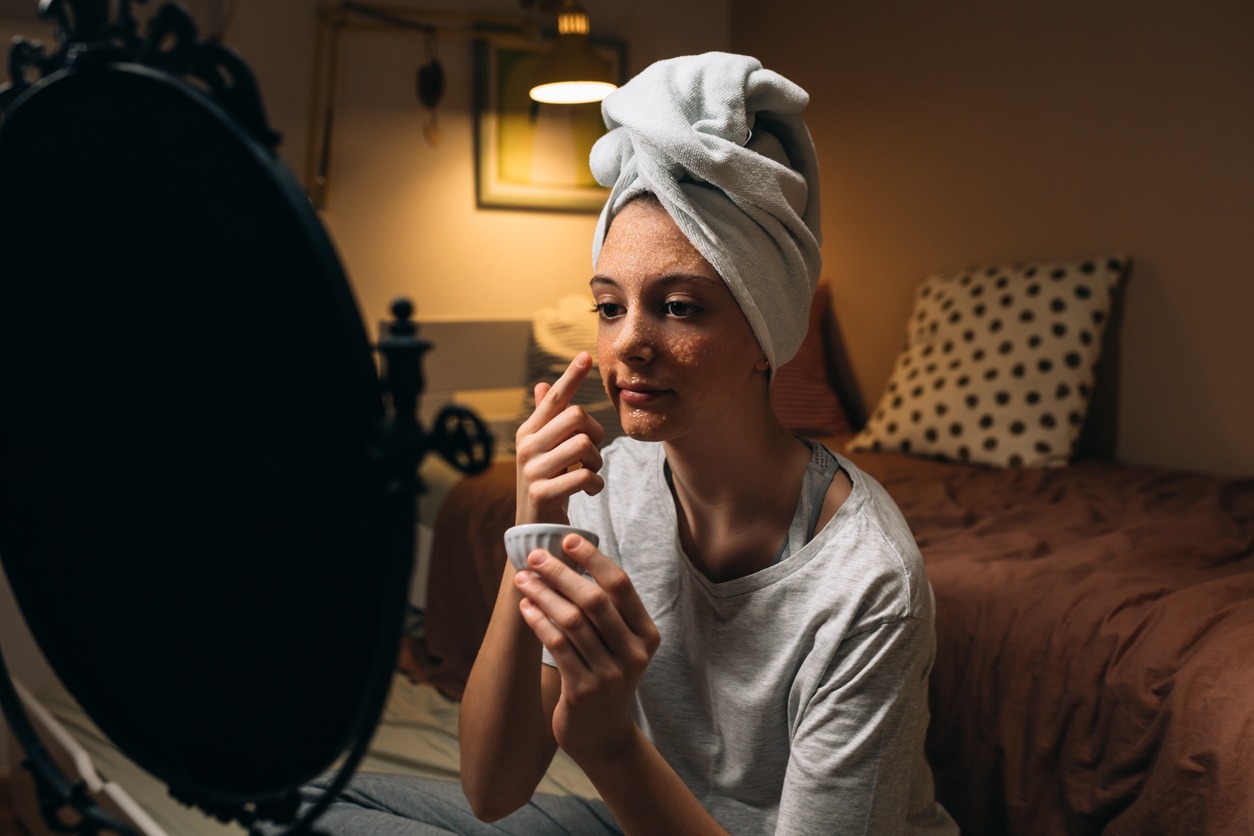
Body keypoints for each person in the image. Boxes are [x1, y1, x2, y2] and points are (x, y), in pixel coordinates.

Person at [292, 52, 957, 835]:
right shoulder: (610, 486)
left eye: (678, 307)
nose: (629, 344)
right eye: (609, 308)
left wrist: (607, 746)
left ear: (764, 338)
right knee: (308, 807)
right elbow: (492, 787)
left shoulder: (867, 584)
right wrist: (530, 526)